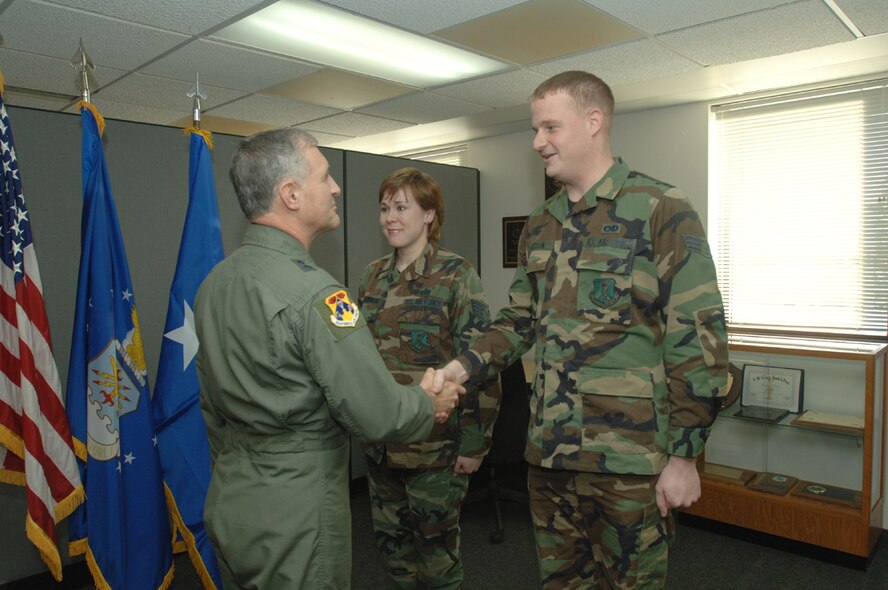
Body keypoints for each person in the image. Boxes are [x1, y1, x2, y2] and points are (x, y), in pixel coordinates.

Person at [435, 71, 729, 589]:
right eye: (534, 129)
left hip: (629, 464)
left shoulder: (659, 208)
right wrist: (460, 366)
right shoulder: (541, 224)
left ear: (593, 122)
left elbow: (699, 337)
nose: (537, 143)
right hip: (548, 457)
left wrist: (685, 455)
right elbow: (518, 321)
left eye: (550, 127)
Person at [194, 128, 463, 590]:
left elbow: (211, 407)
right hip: (297, 511)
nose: (337, 187)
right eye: (324, 176)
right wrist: (430, 403)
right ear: (291, 195)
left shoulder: (215, 284)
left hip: (233, 498)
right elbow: (377, 413)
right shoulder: (316, 294)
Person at [358, 167, 501, 589]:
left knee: (437, 558)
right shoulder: (371, 277)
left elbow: (482, 365)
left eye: (402, 207)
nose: (390, 217)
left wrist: (476, 444)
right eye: (384, 208)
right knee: (393, 553)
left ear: (429, 215)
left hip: (434, 450)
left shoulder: (457, 275)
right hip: (382, 446)